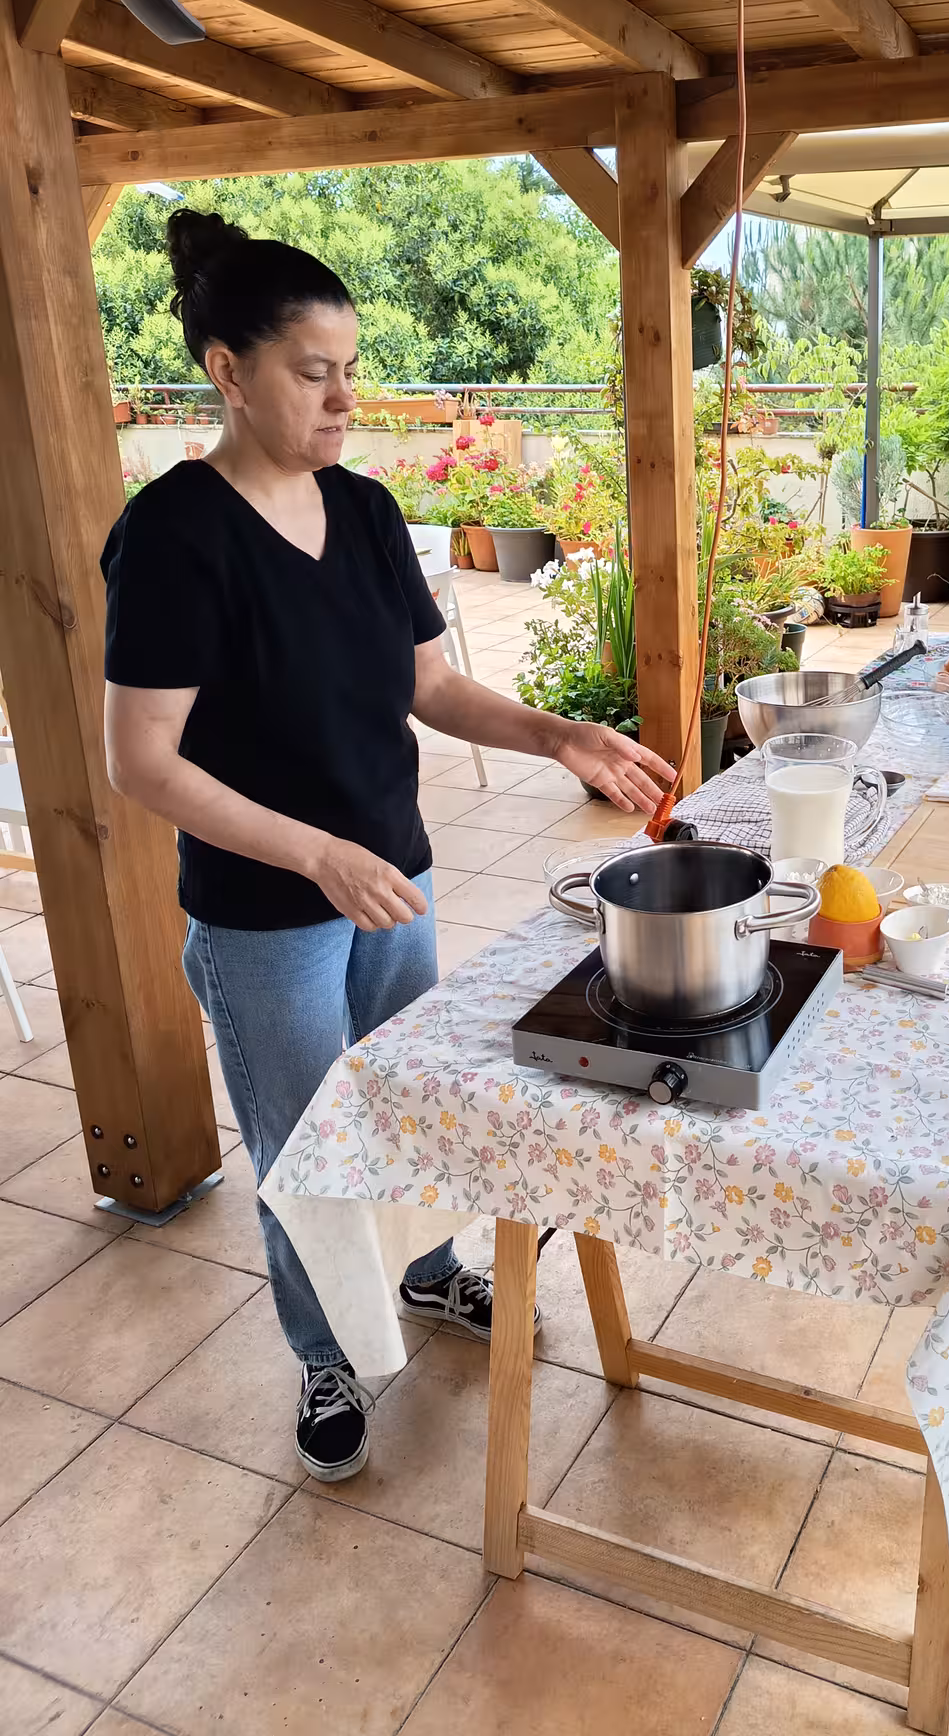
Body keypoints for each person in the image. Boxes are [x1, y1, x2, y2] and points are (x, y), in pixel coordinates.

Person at [102, 209, 672, 1481]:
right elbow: (142, 760)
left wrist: (558, 733)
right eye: (315, 372)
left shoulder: (362, 511)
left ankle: (423, 1275)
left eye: (350, 369)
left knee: (409, 1109)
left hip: (392, 880)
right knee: (307, 1145)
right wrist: (309, 852)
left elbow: (432, 689)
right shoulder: (177, 534)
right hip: (268, 914)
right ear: (228, 371)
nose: (345, 397)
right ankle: (323, 1350)